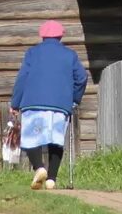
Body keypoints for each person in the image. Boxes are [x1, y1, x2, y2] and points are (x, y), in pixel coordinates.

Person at [9, 20, 88, 190]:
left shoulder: (32, 53)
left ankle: (39, 168)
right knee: (56, 141)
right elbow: (82, 78)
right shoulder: (70, 55)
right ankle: (51, 179)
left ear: (42, 36)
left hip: (34, 103)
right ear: (60, 36)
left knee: (32, 137)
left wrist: (15, 103)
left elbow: (22, 79)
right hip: (60, 105)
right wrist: (74, 99)